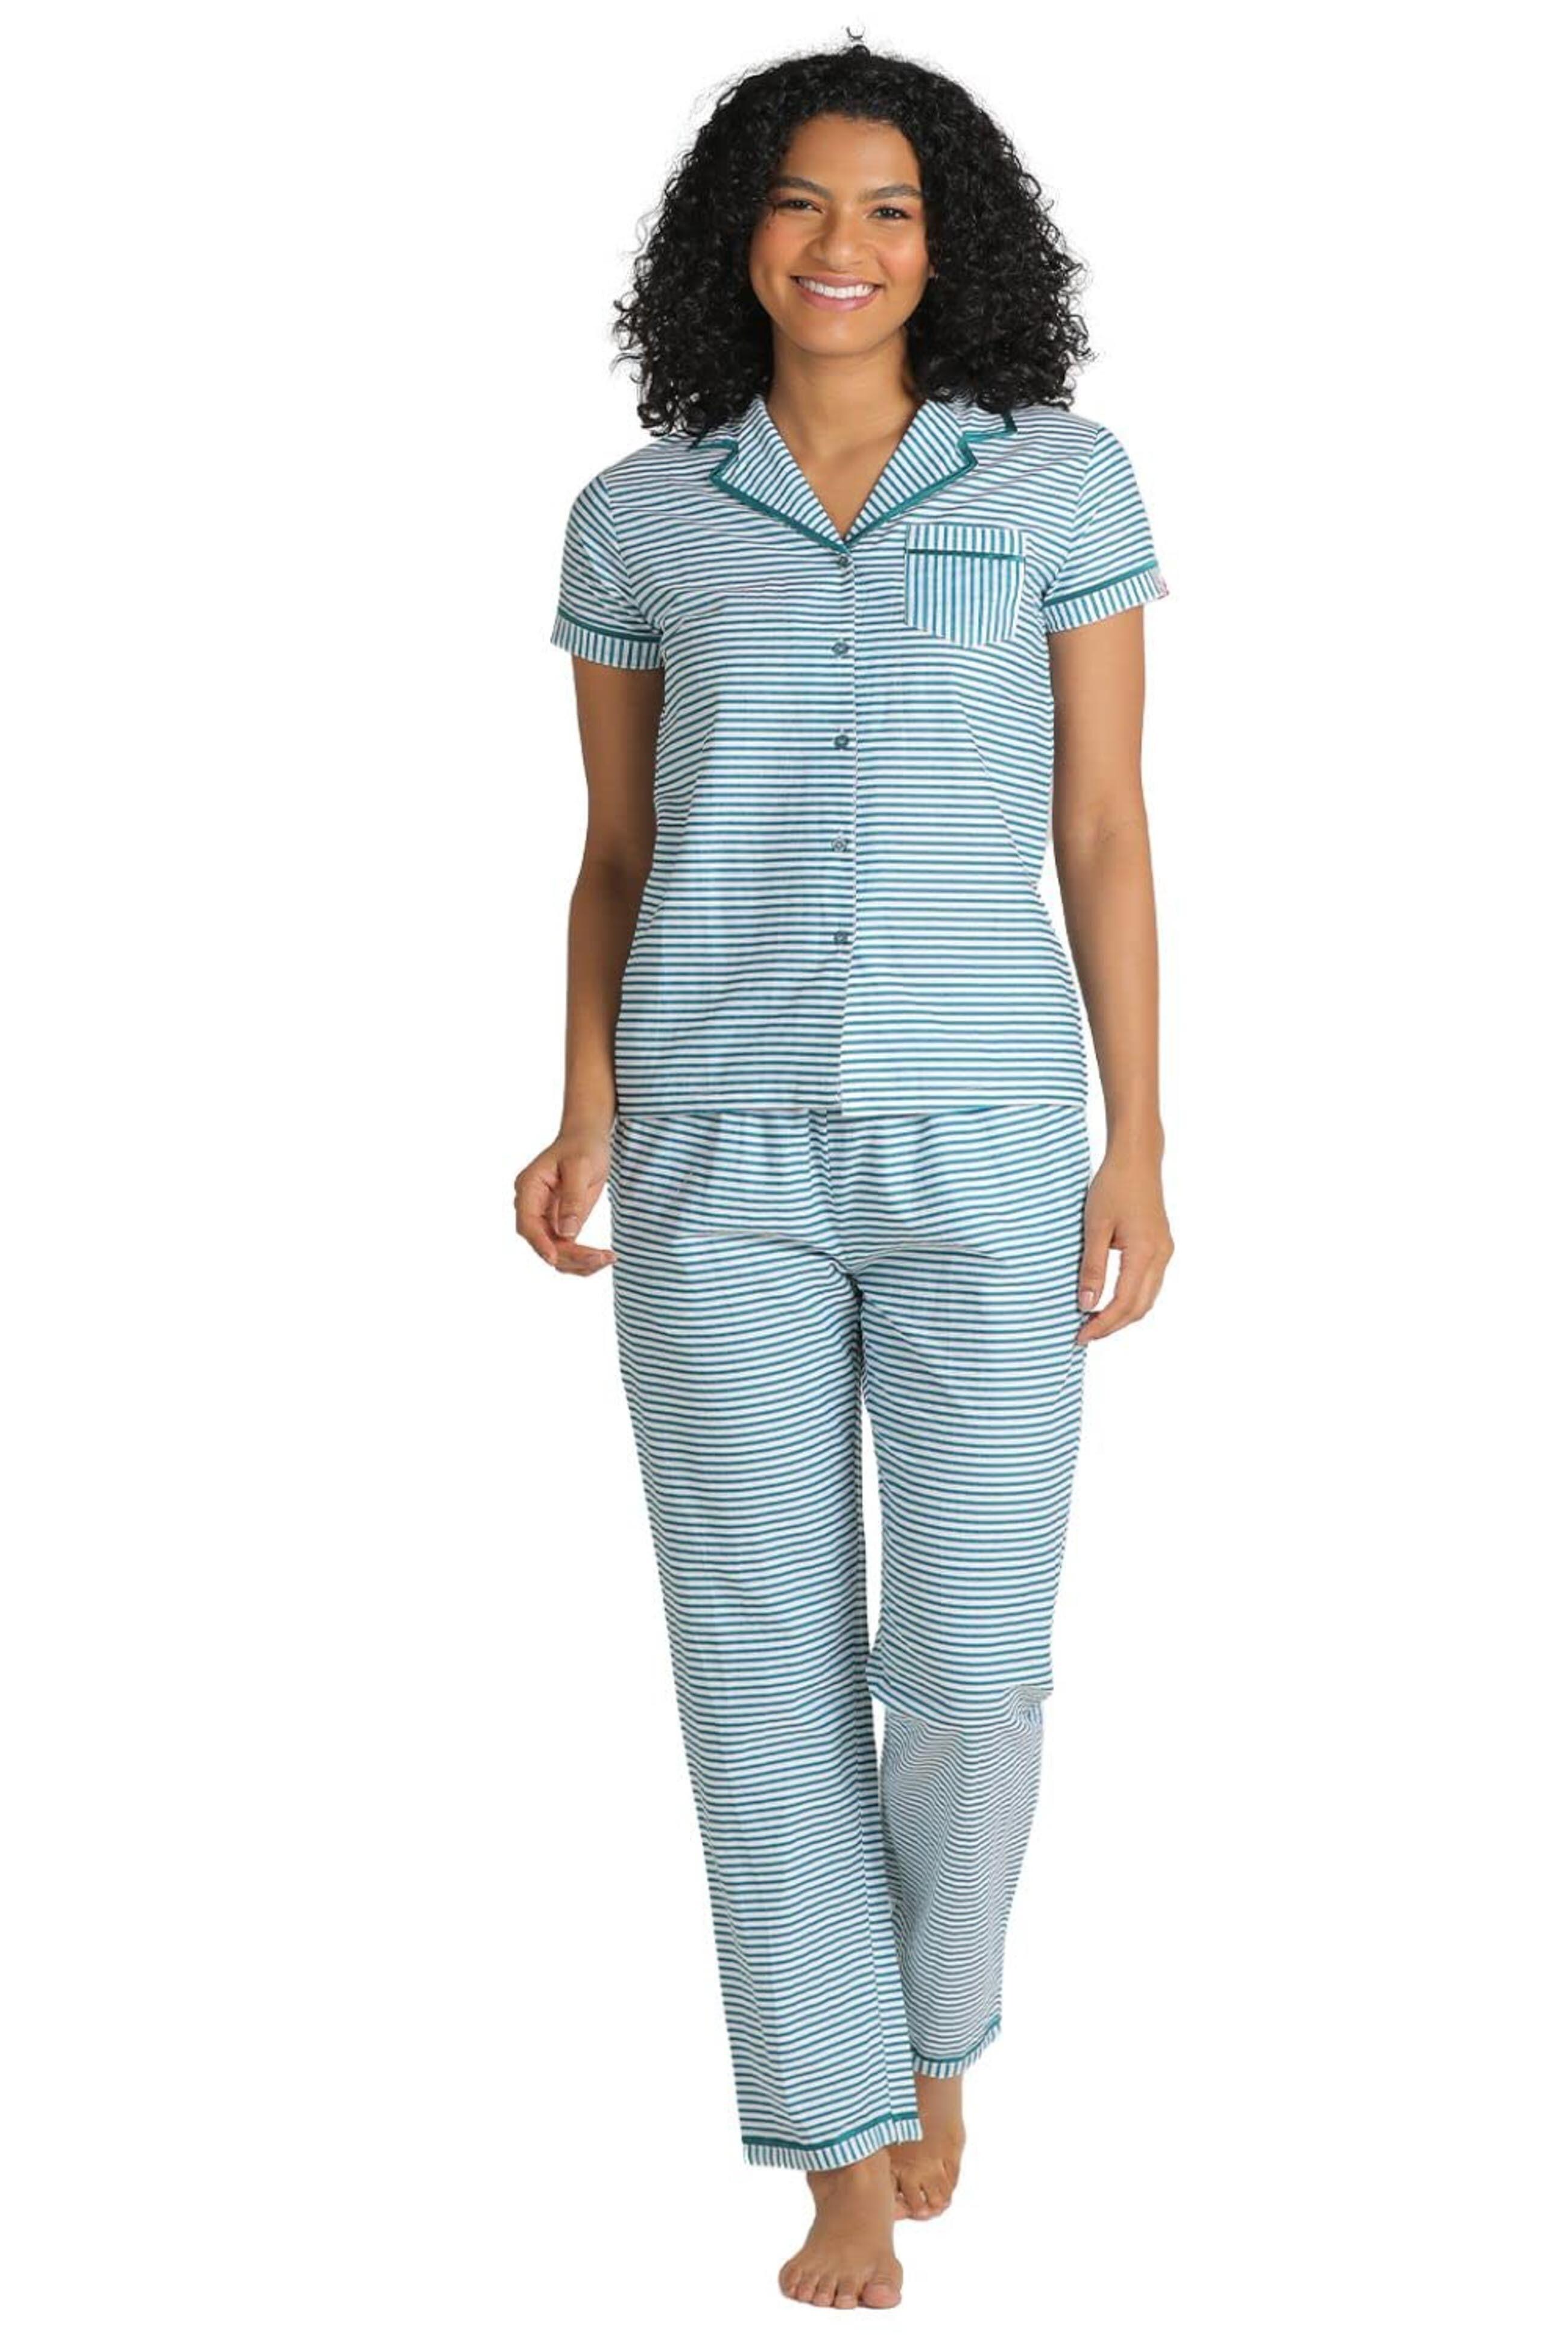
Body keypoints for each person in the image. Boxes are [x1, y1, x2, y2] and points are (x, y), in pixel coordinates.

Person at [514, 38, 1175, 2312]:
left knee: (971, 1660)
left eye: (889, 206)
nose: (842, 245)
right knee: (756, 1662)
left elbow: (1107, 828)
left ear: (948, 241)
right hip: (712, 1147)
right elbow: (618, 852)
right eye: (801, 202)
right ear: (740, 236)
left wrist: (1142, 1137)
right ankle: (839, 2147)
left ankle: (931, 2027)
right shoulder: (642, 518)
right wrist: (584, 1105)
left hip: (990, 1138)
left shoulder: (1057, 484)